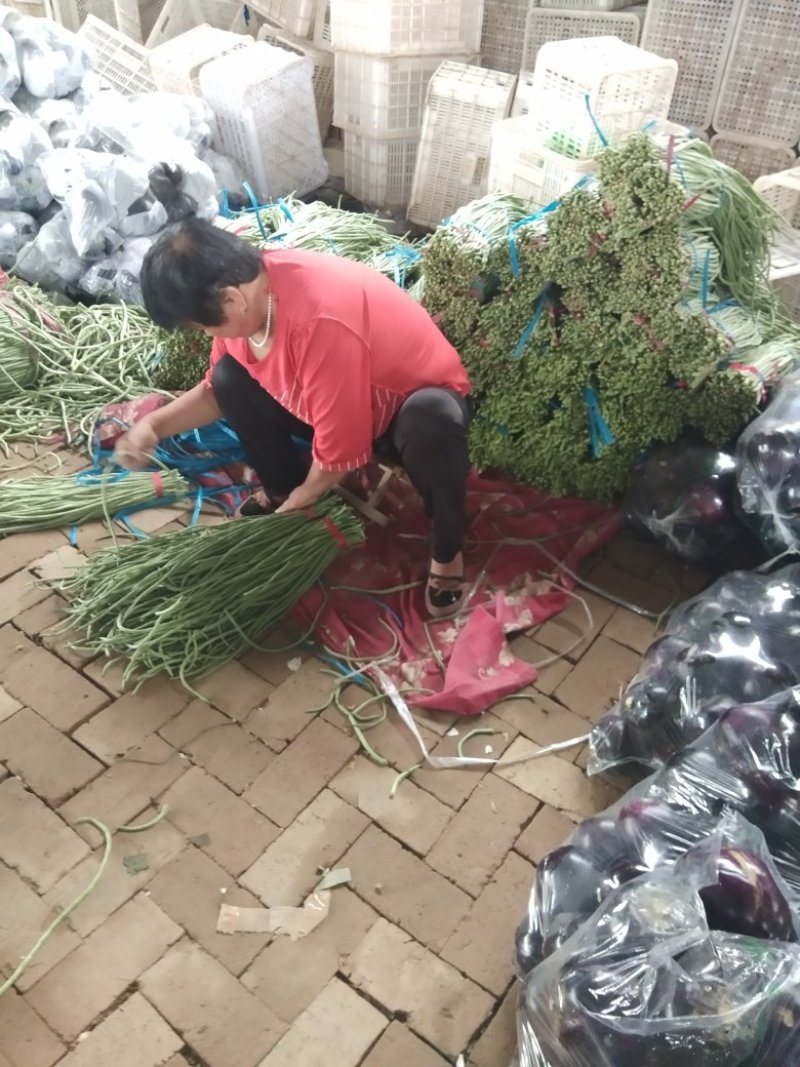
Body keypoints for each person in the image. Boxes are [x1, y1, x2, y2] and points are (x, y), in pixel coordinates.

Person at [114, 217, 473, 618]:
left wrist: (308, 497)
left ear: (231, 300)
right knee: (231, 376)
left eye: (201, 325)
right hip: (332, 402)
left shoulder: (318, 317)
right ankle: (282, 488)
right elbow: (216, 392)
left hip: (401, 410)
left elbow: (342, 440)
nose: (205, 335)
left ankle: (448, 549)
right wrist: (154, 426)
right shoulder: (250, 304)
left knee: (432, 420)